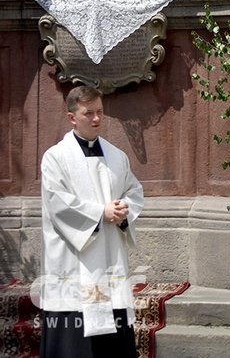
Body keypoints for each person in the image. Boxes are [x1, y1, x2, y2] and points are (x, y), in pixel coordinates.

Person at [38, 86, 144, 358]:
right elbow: (58, 203)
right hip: (74, 263)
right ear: (72, 117)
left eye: (100, 112)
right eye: (88, 113)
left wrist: (123, 211)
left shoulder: (117, 156)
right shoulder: (56, 158)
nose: (96, 119)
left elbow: (134, 191)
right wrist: (101, 213)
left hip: (109, 259)